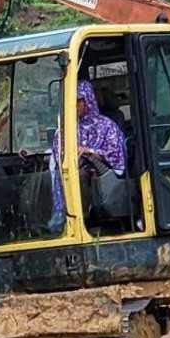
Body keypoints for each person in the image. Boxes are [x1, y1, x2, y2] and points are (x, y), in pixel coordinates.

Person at [48, 80, 127, 231]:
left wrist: (90, 152)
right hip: (69, 174)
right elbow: (57, 155)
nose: (75, 106)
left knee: (82, 176)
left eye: (79, 101)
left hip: (100, 176)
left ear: (88, 100)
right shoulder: (66, 129)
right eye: (71, 102)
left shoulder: (106, 126)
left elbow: (116, 157)